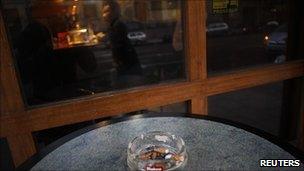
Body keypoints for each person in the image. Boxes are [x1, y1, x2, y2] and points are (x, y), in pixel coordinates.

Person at [99, 0, 143, 88]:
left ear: (114, 12)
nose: (104, 15)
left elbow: (117, 44)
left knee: (129, 87)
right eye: (103, 12)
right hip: (126, 64)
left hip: (127, 65)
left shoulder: (118, 25)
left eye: (106, 11)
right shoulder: (114, 24)